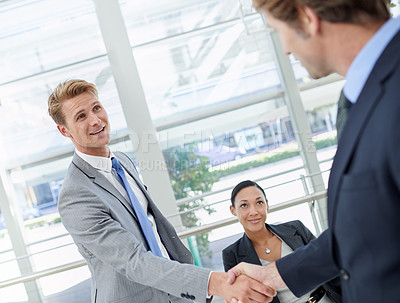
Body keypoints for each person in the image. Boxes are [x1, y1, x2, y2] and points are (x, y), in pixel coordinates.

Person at [227, 0, 400, 302]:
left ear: (307, 19)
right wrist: (272, 274)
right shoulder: (360, 95)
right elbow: (364, 228)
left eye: (279, 32)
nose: (286, 50)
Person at [47, 79, 275, 303]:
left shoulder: (123, 161)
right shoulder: (76, 195)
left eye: (96, 108)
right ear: (64, 131)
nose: (96, 120)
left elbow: (152, 229)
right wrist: (217, 283)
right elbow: (133, 261)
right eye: (81, 116)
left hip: (176, 294)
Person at [222, 180, 341, 303]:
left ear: (267, 205)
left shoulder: (296, 228)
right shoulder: (232, 254)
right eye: (244, 205)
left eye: (259, 202)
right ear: (233, 210)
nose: (254, 212)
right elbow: (240, 295)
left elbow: (329, 264)